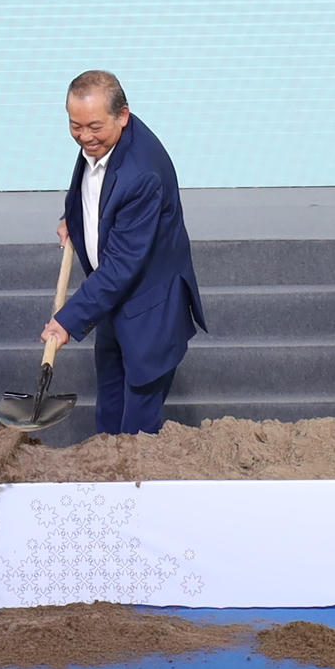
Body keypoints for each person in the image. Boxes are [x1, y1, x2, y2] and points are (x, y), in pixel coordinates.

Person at [46, 71, 204, 437]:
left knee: (137, 432)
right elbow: (91, 188)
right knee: (110, 408)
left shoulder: (141, 173)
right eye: (75, 126)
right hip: (112, 302)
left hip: (149, 309)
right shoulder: (102, 140)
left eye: (93, 127)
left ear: (123, 115)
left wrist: (67, 320)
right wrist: (74, 218)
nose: (84, 137)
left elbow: (122, 265)